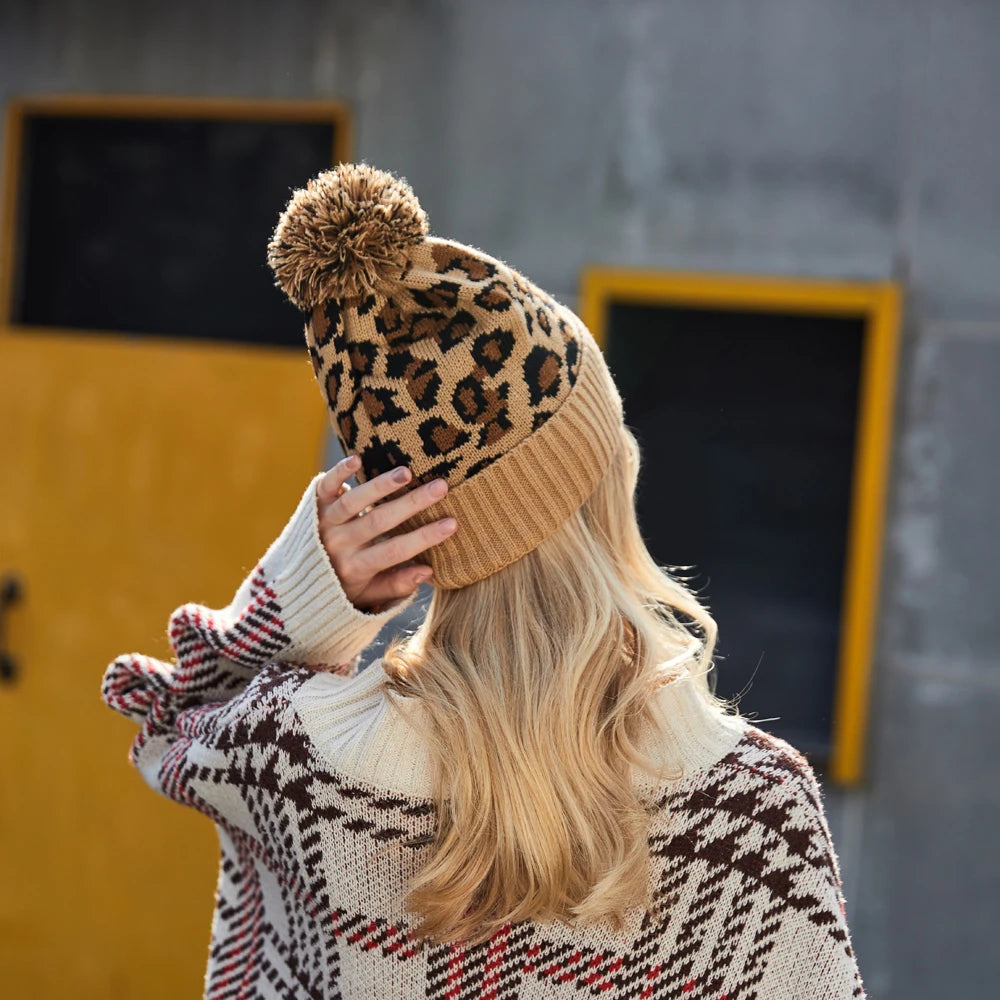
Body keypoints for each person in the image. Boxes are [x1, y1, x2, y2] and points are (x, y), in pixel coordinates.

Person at [101, 163, 866, 999]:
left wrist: (312, 590)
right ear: (608, 476)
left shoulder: (304, 762)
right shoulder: (754, 811)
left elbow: (169, 715)